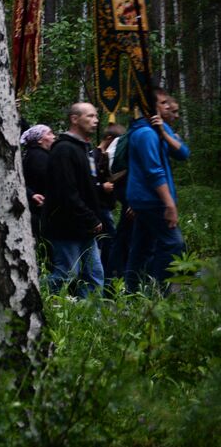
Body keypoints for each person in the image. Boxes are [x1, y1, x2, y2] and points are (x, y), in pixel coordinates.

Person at [124, 89, 188, 292]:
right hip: (152, 200)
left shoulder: (157, 129)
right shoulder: (144, 133)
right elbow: (154, 171)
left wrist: (164, 134)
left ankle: (132, 292)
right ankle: (160, 291)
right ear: (149, 106)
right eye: (162, 103)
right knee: (173, 243)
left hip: (144, 200)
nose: (167, 106)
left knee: (141, 248)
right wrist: (169, 204)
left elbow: (184, 153)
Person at [43, 103, 106, 295]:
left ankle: (91, 319)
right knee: (66, 274)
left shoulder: (84, 149)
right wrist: (90, 217)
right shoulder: (64, 150)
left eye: (96, 116)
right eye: (89, 116)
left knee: (94, 274)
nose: (95, 120)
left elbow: (87, 188)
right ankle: (29, 297)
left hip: (84, 227)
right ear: (75, 119)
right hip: (66, 226)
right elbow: (66, 191)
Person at [93, 124, 123, 278]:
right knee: (110, 240)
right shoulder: (94, 155)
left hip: (106, 206)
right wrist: (101, 186)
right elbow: (89, 181)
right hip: (99, 207)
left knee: (107, 242)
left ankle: (108, 274)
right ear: (109, 139)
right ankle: (110, 277)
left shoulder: (107, 156)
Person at [19, 125, 54, 239]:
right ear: (39, 140)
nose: (53, 136)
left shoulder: (32, 155)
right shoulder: (40, 157)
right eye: (49, 134)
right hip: (40, 213)